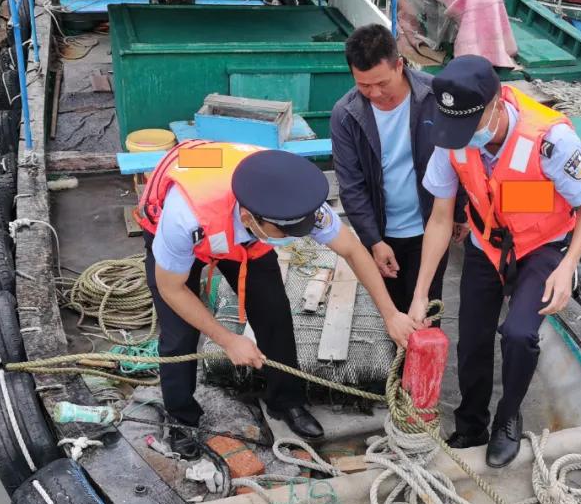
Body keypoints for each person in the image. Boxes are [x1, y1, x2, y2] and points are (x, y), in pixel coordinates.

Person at [137, 141, 419, 459]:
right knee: (179, 336)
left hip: (240, 218)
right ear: (249, 217)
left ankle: (286, 400)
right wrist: (228, 339)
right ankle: (181, 419)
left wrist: (391, 314)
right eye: (285, 234)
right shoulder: (183, 218)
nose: (292, 240)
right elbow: (172, 289)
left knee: (274, 314)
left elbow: (352, 249)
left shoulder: (295, 201)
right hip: (194, 217)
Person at [407, 56, 581, 468]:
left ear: (497, 104)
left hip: (541, 247)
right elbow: (441, 218)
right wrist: (422, 292)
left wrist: (568, 266)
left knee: (518, 334)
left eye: (469, 128)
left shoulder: (551, 141)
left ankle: (507, 416)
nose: (461, 139)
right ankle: (471, 422)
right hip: (485, 245)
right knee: (472, 339)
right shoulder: (452, 141)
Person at [330, 24, 466, 313]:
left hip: (430, 227)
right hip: (382, 232)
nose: (375, 93)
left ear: (399, 65)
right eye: (363, 85)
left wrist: (461, 212)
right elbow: (351, 186)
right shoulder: (345, 115)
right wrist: (373, 240)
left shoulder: (435, 98)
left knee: (426, 313)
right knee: (392, 315)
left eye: (382, 83)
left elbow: (461, 158)